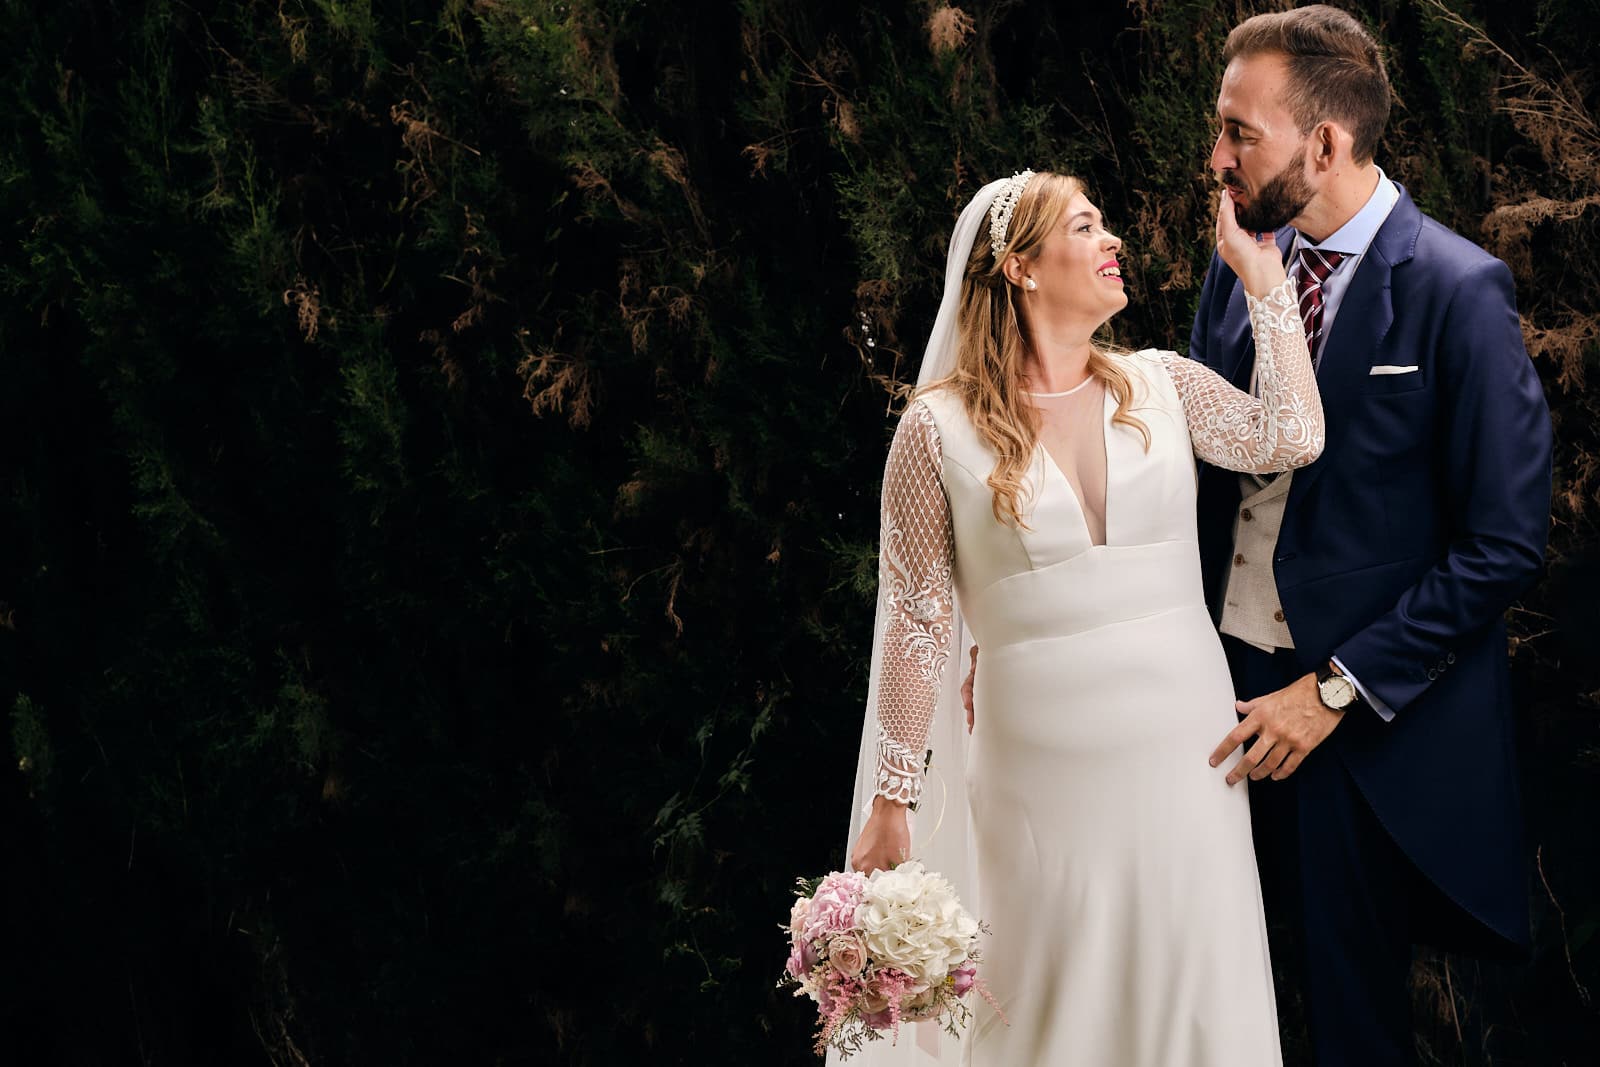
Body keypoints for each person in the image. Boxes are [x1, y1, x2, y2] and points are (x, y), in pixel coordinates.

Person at [833, 168, 1317, 1065]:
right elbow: (915, 621)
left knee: (1194, 979)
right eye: (1086, 227)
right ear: (1019, 267)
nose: (1114, 242)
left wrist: (1265, 282)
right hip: (1038, 767)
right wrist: (893, 797)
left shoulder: (1162, 383)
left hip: (1187, 751)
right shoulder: (936, 431)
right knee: (1053, 994)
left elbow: (1290, 437)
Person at [1187, 7, 1553, 1064]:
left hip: (1353, 730)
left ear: (1325, 144)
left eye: (1236, 132)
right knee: (1209, 994)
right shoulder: (1235, 267)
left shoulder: (1455, 290)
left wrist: (1334, 687)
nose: (1216, 159)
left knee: (1353, 1022)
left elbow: (1502, 542)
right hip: (1210, 698)